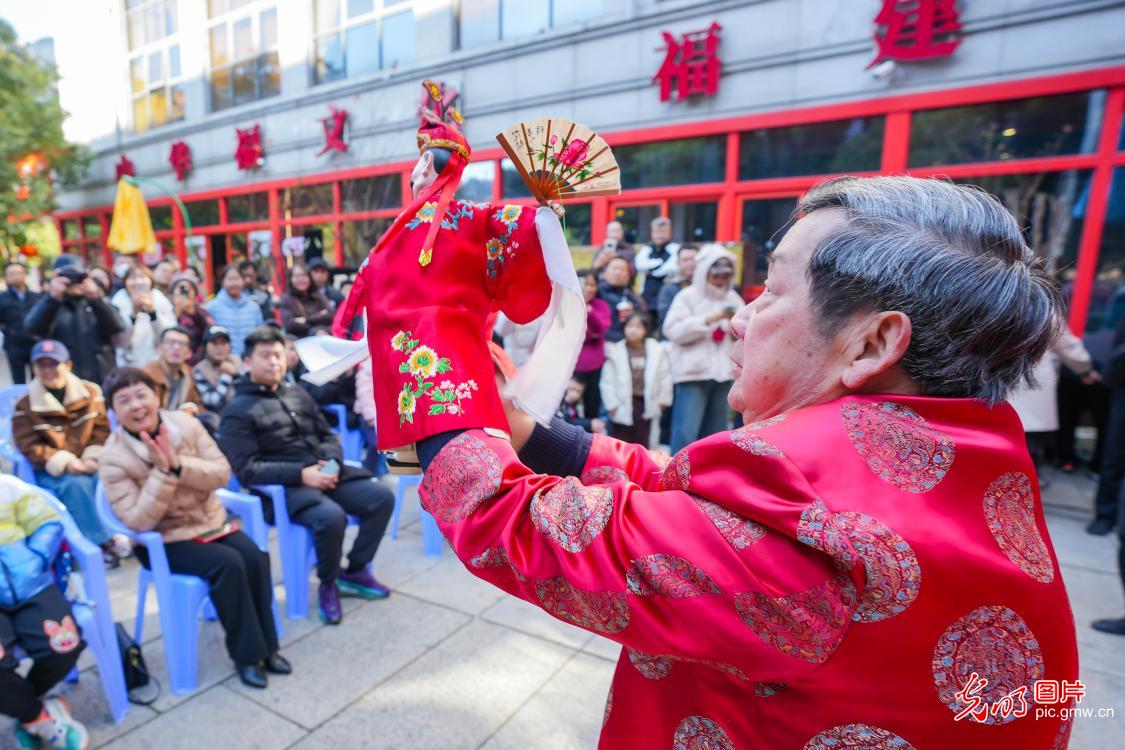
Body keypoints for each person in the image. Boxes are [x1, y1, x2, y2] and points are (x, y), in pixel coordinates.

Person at [358, 175, 1078, 747]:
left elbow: (521, 529)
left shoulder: (818, 523)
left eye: (772, 289)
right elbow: (700, 510)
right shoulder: (963, 445)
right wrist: (538, 438)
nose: (741, 312)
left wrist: (427, 336)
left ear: (870, 343)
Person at [99, 367, 291, 689]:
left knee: (255, 557)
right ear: (114, 411)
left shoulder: (185, 424)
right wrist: (163, 473)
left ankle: (268, 648)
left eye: (141, 394)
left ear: (156, 396)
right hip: (164, 540)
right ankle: (247, 656)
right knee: (229, 565)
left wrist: (177, 464)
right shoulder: (113, 457)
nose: (136, 405)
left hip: (210, 524)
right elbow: (137, 521)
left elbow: (221, 472)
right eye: (124, 400)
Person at [218, 326, 394, 625]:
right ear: (247, 362)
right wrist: (302, 475)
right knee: (331, 517)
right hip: (283, 490)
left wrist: (332, 465)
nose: (274, 362)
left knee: (380, 497)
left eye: (277, 355)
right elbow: (248, 470)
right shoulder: (237, 411)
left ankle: (355, 570)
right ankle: (328, 583)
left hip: (325, 475)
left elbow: (327, 436)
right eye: (265, 356)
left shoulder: (297, 392)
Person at [11, 340, 123, 567]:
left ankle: (119, 532)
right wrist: (65, 462)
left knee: (106, 477)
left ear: (68, 365)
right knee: (76, 484)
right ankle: (98, 543)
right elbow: (29, 445)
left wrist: (92, 457)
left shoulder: (90, 392)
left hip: (90, 459)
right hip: (53, 468)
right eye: (41, 365)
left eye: (53, 364)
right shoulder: (24, 405)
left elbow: (102, 430)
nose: (48, 371)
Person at [0, 474, 90, 750]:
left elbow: (48, 523)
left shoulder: (9, 487)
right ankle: (38, 715)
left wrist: (34, 559)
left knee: (64, 644)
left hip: (33, 586)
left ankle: (28, 707)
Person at [662, 245, 744, 453]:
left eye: (726, 274)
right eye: (716, 273)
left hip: (724, 374)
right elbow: (672, 331)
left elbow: (748, 333)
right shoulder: (687, 296)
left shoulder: (733, 299)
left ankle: (708, 482)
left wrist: (734, 324)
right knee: (685, 435)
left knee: (715, 436)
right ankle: (675, 479)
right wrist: (709, 320)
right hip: (692, 374)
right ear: (705, 271)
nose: (721, 279)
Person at [24, 255, 125, 385]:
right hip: (64, 380)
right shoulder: (48, 303)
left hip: (102, 378)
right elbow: (33, 329)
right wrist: (53, 298)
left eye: (78, 277)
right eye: (67, 277)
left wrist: (96, 299)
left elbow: (117, 327)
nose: (73, 282)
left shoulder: (97, 300)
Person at [1008, 329, 1096, 474]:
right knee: (1028, 444)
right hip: (1031, 380)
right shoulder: (1044, 310)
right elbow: (1067, 345)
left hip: (995, 377)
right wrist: (1085, 369)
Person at [601, 312, 672, 448]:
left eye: (638, 327)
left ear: (646, 329)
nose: (633, 330)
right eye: (630, 326)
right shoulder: (616, 351)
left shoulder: (656, 350)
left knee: (643, 440)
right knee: (621, 440)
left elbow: (664, 376)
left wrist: (663, 400)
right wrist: (612, 405)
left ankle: (641, 468)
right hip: (622, 402)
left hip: (645, 402)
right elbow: (607, 381)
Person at [110, 265, 177, 368]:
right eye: (132, 278)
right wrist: (134, 314)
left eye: (142, 277)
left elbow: (167, 335)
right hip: (128, 363)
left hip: (157, 362)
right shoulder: (117, 302)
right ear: (125, 282)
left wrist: (152, 313)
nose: (138, 282)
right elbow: (120, 341)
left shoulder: (160, 300)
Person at [574, 269, 611, 421]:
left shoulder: (600, 305)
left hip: (594, 364)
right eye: (585, 284)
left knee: (592, 404)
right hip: (571, 363)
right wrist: (591, 334)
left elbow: (601, 328)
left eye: (592, 284)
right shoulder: (567, 304)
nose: (588, 288)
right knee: (569, 405)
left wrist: (588, 308)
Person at [205, 264, 264, 358]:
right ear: (222, 282)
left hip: (248, 359)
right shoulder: (212, 307)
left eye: (237, 279)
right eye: (230, 279)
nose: (234, 283)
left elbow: (259, 333)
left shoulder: (253, 307)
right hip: (223, 360)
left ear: (243, 281)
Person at [141, 327, 203, 413]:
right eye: (171, 342)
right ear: (159, 348)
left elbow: (198, 403)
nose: (176, 347)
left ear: (189, 353)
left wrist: (192, 409)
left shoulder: (189, 373)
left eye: (182, 344)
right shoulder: (145, 374)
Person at [0, 261, 42, 384]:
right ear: (6, 277)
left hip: (35, 343)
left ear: (24, 275)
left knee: (38, 379)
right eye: (11, 273)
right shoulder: (2, 298)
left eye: (18, 273)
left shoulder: (36, 297)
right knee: (18, 382)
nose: (15, 276)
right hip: (14, 345)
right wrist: (9, 332)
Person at [634, 217, 681, 319]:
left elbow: (672, 268)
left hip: (668, 296)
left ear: (669, 232)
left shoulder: (675, 248)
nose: (659, 235)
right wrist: (661, 263)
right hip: (647, 297)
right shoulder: (646, 249)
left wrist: (651, 270)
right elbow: (639, 264)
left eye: (663, 231)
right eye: (657, 231)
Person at [278, 262, 335, 338]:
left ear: (310, 278)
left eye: (304, 275)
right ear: (291, 279)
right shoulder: (286, 299)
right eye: (297, 276)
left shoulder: (318, 295)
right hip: (300, 340)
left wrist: (306, 319)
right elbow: (290, 325)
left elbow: (331, 315)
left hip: (323, 334)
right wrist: (318, 317)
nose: (301, 279)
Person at [193, 325, 240, 417]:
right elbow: (212, 403)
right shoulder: (199, 370)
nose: (219, 347)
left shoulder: (238, 361)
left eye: (223, 343)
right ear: (205, 346)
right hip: (218, 419)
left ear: (229, 346)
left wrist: (236, 376)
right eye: (214, 343)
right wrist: (226, 377)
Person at [599, 256, 645, 344]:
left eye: (622, 269)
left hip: (625, 343)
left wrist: (633, 313)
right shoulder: (595, 292)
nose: (618, 272)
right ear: (604, 272)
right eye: (614, 268)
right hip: (601, 342)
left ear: (628, 276)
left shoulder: (632, 298)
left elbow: (642, 321)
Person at [170, 274, 213, 363]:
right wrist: (177, 313)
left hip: (198, 361)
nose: (184, 291)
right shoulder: (166, 311)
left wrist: (193, 312)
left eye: (188, 288)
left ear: (195, 294)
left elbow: (211, 331)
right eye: (180, 288)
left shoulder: (202, 312)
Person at [656, 245, 699, 324]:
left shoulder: (710, 288)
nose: (690, 263)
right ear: (678, 263)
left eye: (693, 259)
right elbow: (666, 317)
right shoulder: (668, 289)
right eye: (685, 260)